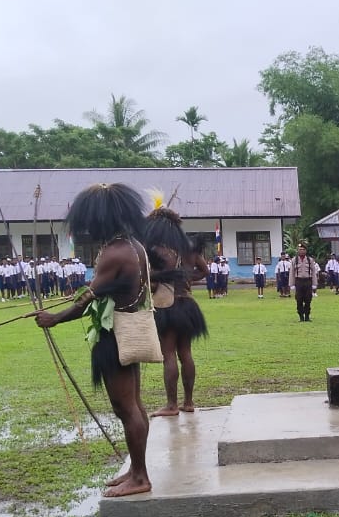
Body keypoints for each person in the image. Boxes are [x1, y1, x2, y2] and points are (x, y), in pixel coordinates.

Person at [35, 182, 154, 498]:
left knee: (125, 406)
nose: (85, 229)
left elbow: (85, 300)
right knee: (134, 405)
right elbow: (101, 290)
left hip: (115, 337)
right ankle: (136, 469)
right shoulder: (134, 246)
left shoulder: (114, 253)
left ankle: (140, 476)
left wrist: (53, 319)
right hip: (127, 330)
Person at [143, 198, 209, 417]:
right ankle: (188, 402)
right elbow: (204, 271)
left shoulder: (156, 250)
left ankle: (172, 405)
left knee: (168, 354)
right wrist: (187, 278)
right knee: (186, 353)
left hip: (167, 306)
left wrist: (157, 279)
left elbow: (147, 277)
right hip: (188, 304)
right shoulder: (189, 248)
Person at [290, 242, 319, 321]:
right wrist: (292, 284)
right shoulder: (294, 260)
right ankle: (301, 316)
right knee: (299, 299)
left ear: (306, 251)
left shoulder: (310, 260)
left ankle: (307, 316)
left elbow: (313, 272)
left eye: (303, 249)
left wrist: (314, 284)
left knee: (308, 299)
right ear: (298, 251)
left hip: (308, 281)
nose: (302, 251)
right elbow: (291, 273)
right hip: (298, 281)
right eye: (300, 249)